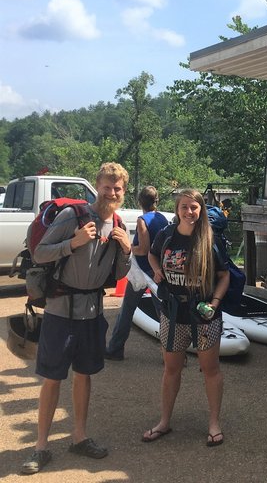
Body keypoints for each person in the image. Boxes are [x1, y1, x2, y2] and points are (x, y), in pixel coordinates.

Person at [20, 162, 133, 475]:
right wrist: (74, 242)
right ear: (97, 186)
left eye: (118, 188)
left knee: (85, 374)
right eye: (107, 186)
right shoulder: (74, 216)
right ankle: (40, 447)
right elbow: (40, 253)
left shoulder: (120, 224)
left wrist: (126, 251)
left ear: (124, 193)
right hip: (60, 311)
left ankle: (79, 438)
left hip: (93, 312)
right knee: (53, 377)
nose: (112, 192)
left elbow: (119, 274)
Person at [142, 189, 230, 447]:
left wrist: (214, 303)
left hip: (203, 314)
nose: (189, 212)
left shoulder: (210, 239)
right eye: (184, 207)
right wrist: (157, 271)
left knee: (210, 369)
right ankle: (164, 421)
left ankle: (214, 423)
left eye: (194, 207)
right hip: (173, 312)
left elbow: (224, 275)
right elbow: (152, 253)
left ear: (200, 209)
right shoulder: (166, 235)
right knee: (171, 369)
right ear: (177, 209)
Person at [105, 185, 169, 361]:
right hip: (158, 271)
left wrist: (127, 246)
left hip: (142, 272)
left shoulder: (143, 220)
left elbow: (143, 249)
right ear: (156, 200)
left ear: (139, 201)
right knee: (164, 313)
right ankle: (172, 353)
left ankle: (115, 349)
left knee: (127, 310)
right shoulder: (162, 218)